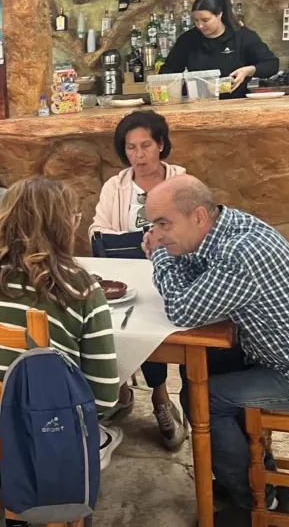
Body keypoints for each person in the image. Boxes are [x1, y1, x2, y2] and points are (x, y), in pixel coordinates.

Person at [144, 175, 289, 525]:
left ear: (200, 217)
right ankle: (263, 482)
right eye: (152, 225)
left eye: (164, 224)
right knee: (217, 367)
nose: (156, 233)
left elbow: (184, 309)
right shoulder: (231, 225)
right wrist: (172, 250)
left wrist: (160, 256)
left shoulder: (241, 252)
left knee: (203, 398)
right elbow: (196, 275)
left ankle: (257, 504)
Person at [0, 177, 122, 487]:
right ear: (62, 225)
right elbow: (104, 398)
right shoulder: (80, 287)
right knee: (102, 433)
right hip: (36, 456)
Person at [89, 110, 187, 448]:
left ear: (161, 145)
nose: (139, 155)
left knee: (155, 325)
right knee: (110, 320)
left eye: (145, 145)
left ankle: (161, 398)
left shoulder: (181, 182)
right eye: (131, 148)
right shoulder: (115, 186)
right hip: (126, 275)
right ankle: (118, 390)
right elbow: (97, 229)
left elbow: (193, 231)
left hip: (172, 273)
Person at [160, 0, 279, 99]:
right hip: (199, 104)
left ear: (219, 14)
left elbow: (272, 64)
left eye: (205, 20)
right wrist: (180, 86)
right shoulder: (187, 40)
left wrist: (248, 70)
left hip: (236, 103)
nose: (200, 25)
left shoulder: (242, 36)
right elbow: (167, 72)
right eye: (196, 20)